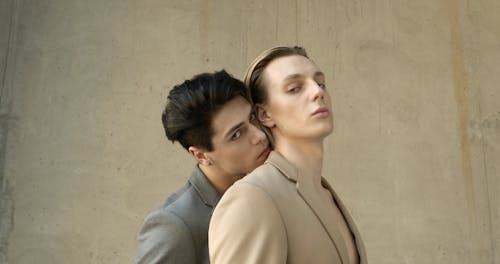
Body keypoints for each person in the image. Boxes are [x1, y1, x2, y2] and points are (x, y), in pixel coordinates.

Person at [208, 47, 367, 264]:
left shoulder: (324, 193)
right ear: (264, 114)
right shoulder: (252, 199)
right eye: (294, 88)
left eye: (320, 83)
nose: (317, 92)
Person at [135, 70, 271, 264]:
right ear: (200, 155)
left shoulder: (267, 190)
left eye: (252, 118)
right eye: (237, 135)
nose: (259, 136)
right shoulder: (175, 226)